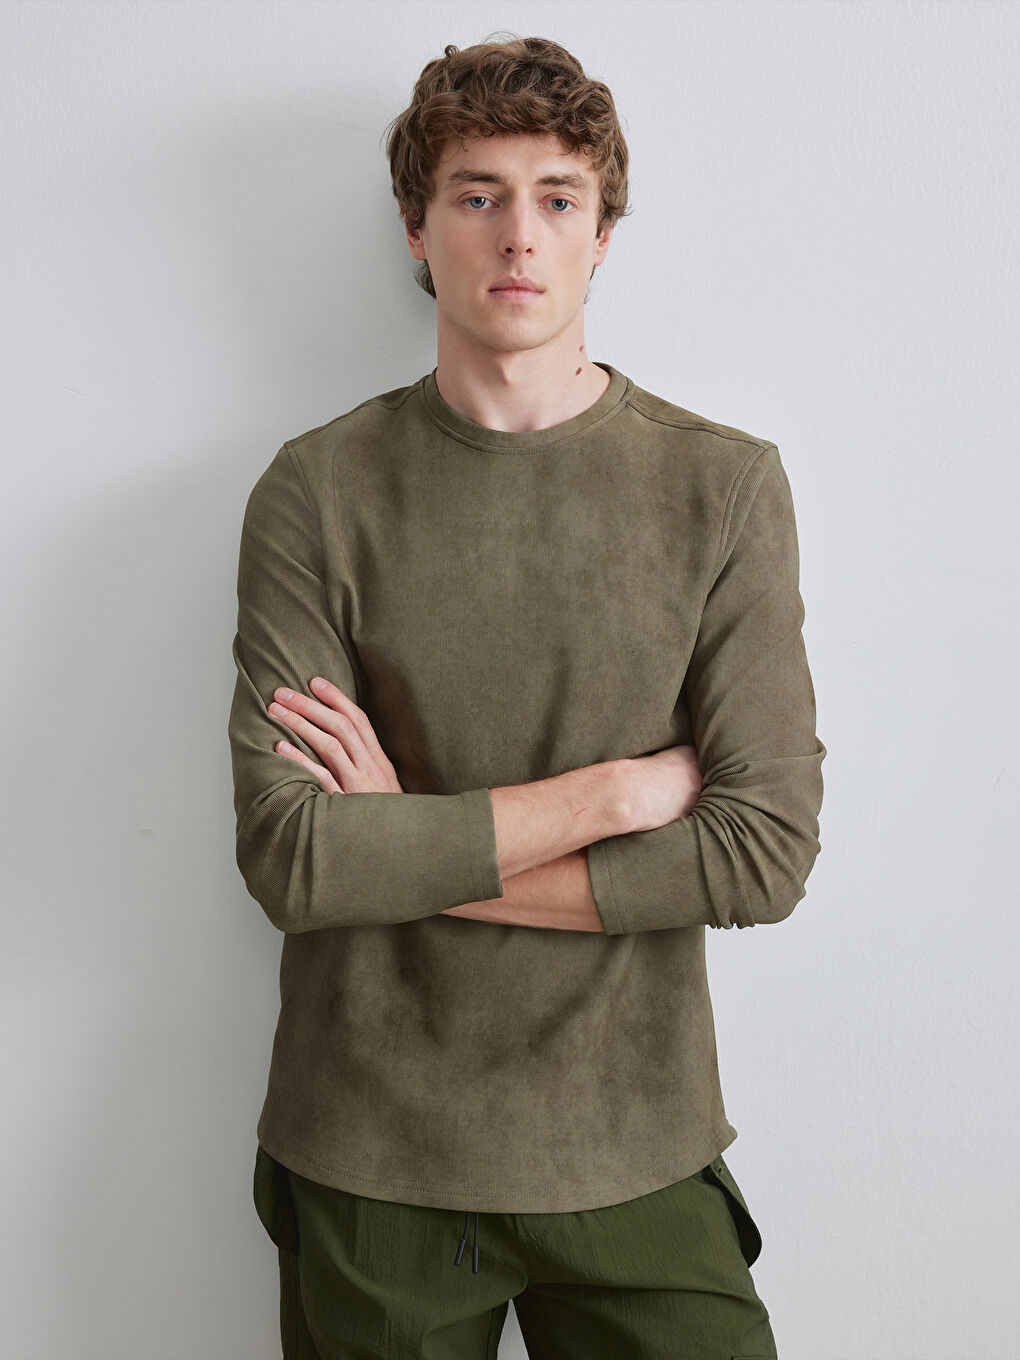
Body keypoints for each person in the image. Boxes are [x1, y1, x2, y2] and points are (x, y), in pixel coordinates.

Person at [228, 32, 825, 1360]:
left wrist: (408, 845)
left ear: (602, 234)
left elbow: (763, 853)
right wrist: (615, 794)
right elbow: (295, 858)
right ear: (417, 229)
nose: (518, 234)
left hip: (633, 1135)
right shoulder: (316, 491)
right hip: (371, 1146)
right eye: (477, 194)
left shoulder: (722, 487)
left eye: (558, 197)